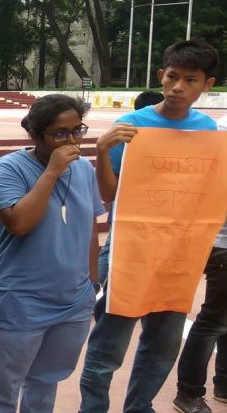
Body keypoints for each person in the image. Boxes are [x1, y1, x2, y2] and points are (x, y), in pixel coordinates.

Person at [79, 39, 220, 413]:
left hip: (178, 257)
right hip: (130, 251)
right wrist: (103, 151)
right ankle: (92, 408)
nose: (178, 87)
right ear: (161, 75)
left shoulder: (209, 132)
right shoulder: (131, 125)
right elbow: (109, 196)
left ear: (208, 85)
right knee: (109, 346)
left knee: (162, 347)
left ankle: (138, 407)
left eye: (191, 80)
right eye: (172, 77)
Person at [0, 94, 103, 412]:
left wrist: (92, 283)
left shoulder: (85, 170)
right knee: (3, 385)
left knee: (46, 381)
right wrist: (51, 173)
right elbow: (19, 223)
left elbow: (89, 226)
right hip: (21, 300)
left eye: (78, 130)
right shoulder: (9, 168)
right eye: (60, 133)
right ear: (35, 134)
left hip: (73, 301)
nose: (72, 140)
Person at [171, 111, 227, 413]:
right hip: (222, 243)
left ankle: (224, 384)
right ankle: (189, 393)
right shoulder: (222, 132)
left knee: (222, 320)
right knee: (212, 322)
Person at [95, 90, 165, 297]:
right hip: (133, 208)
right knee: (113, 250)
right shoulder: (128, 129)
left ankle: (94, 289)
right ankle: (97, 289)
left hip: (126, 208)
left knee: (111, 249)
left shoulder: (129, 131)